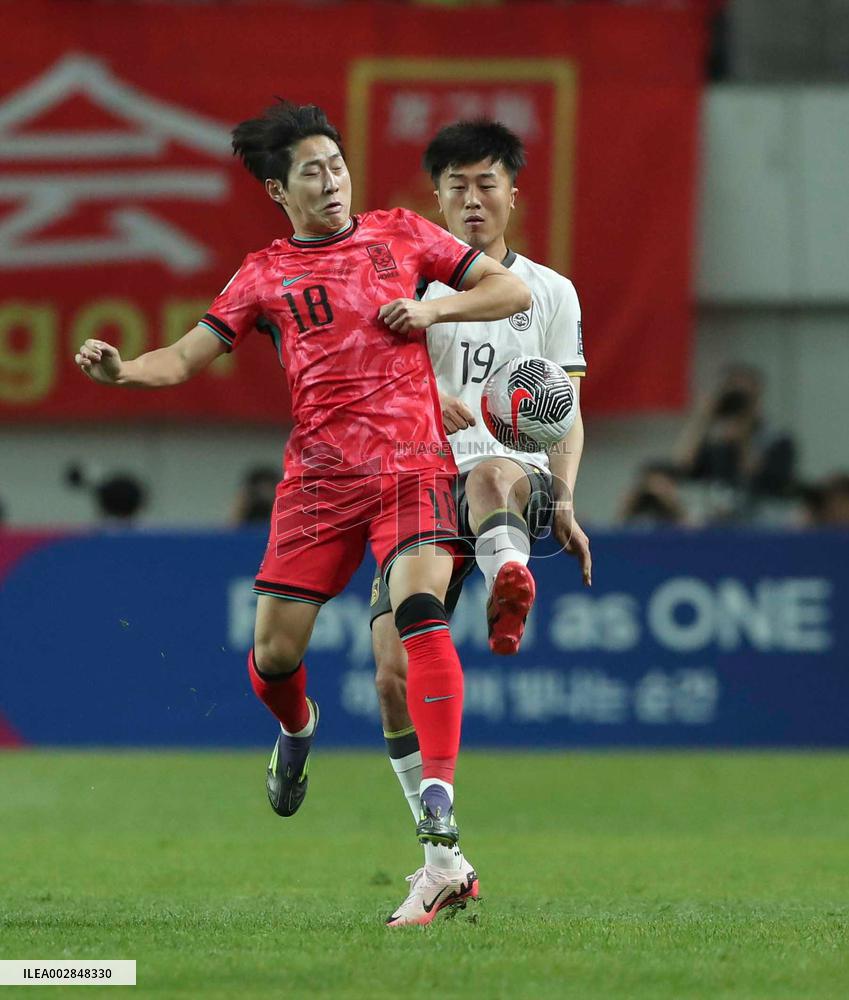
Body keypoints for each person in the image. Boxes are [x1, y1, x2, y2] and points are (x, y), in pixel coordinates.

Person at [74, 101, 530, 923]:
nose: (332, 181)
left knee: (419, 610)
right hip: (318, 483)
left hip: (410, 469)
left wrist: (431, 309)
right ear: (279, 191)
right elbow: (182, 357)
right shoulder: (262, 275)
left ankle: (438, 800)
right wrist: (121, 374)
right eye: (312, 172)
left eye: (337, 165)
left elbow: (503, 287)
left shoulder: (399, 234)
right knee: (275, 658)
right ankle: (298, 728)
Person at [369, 120, 591, 926]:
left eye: (485, 183)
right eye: (455, 186)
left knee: (495, 466)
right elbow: (369, 401)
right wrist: (428, 406)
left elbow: (563, 411)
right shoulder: (406, 290)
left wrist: (563, 499)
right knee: (390, 674)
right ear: (434, 198)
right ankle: (441, 861)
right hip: (420, 478)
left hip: (508, 478)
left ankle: (509, 570)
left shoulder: (551, 292)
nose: (471, 199)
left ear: (512, 194)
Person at [675, 365, 797, 522]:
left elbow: (753, 474)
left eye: (747, 396)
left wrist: (743, 438)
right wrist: (702, 417)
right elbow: (682, 464)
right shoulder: (715, 438)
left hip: (760, 521)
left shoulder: (777, 439)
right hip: (716, 518)